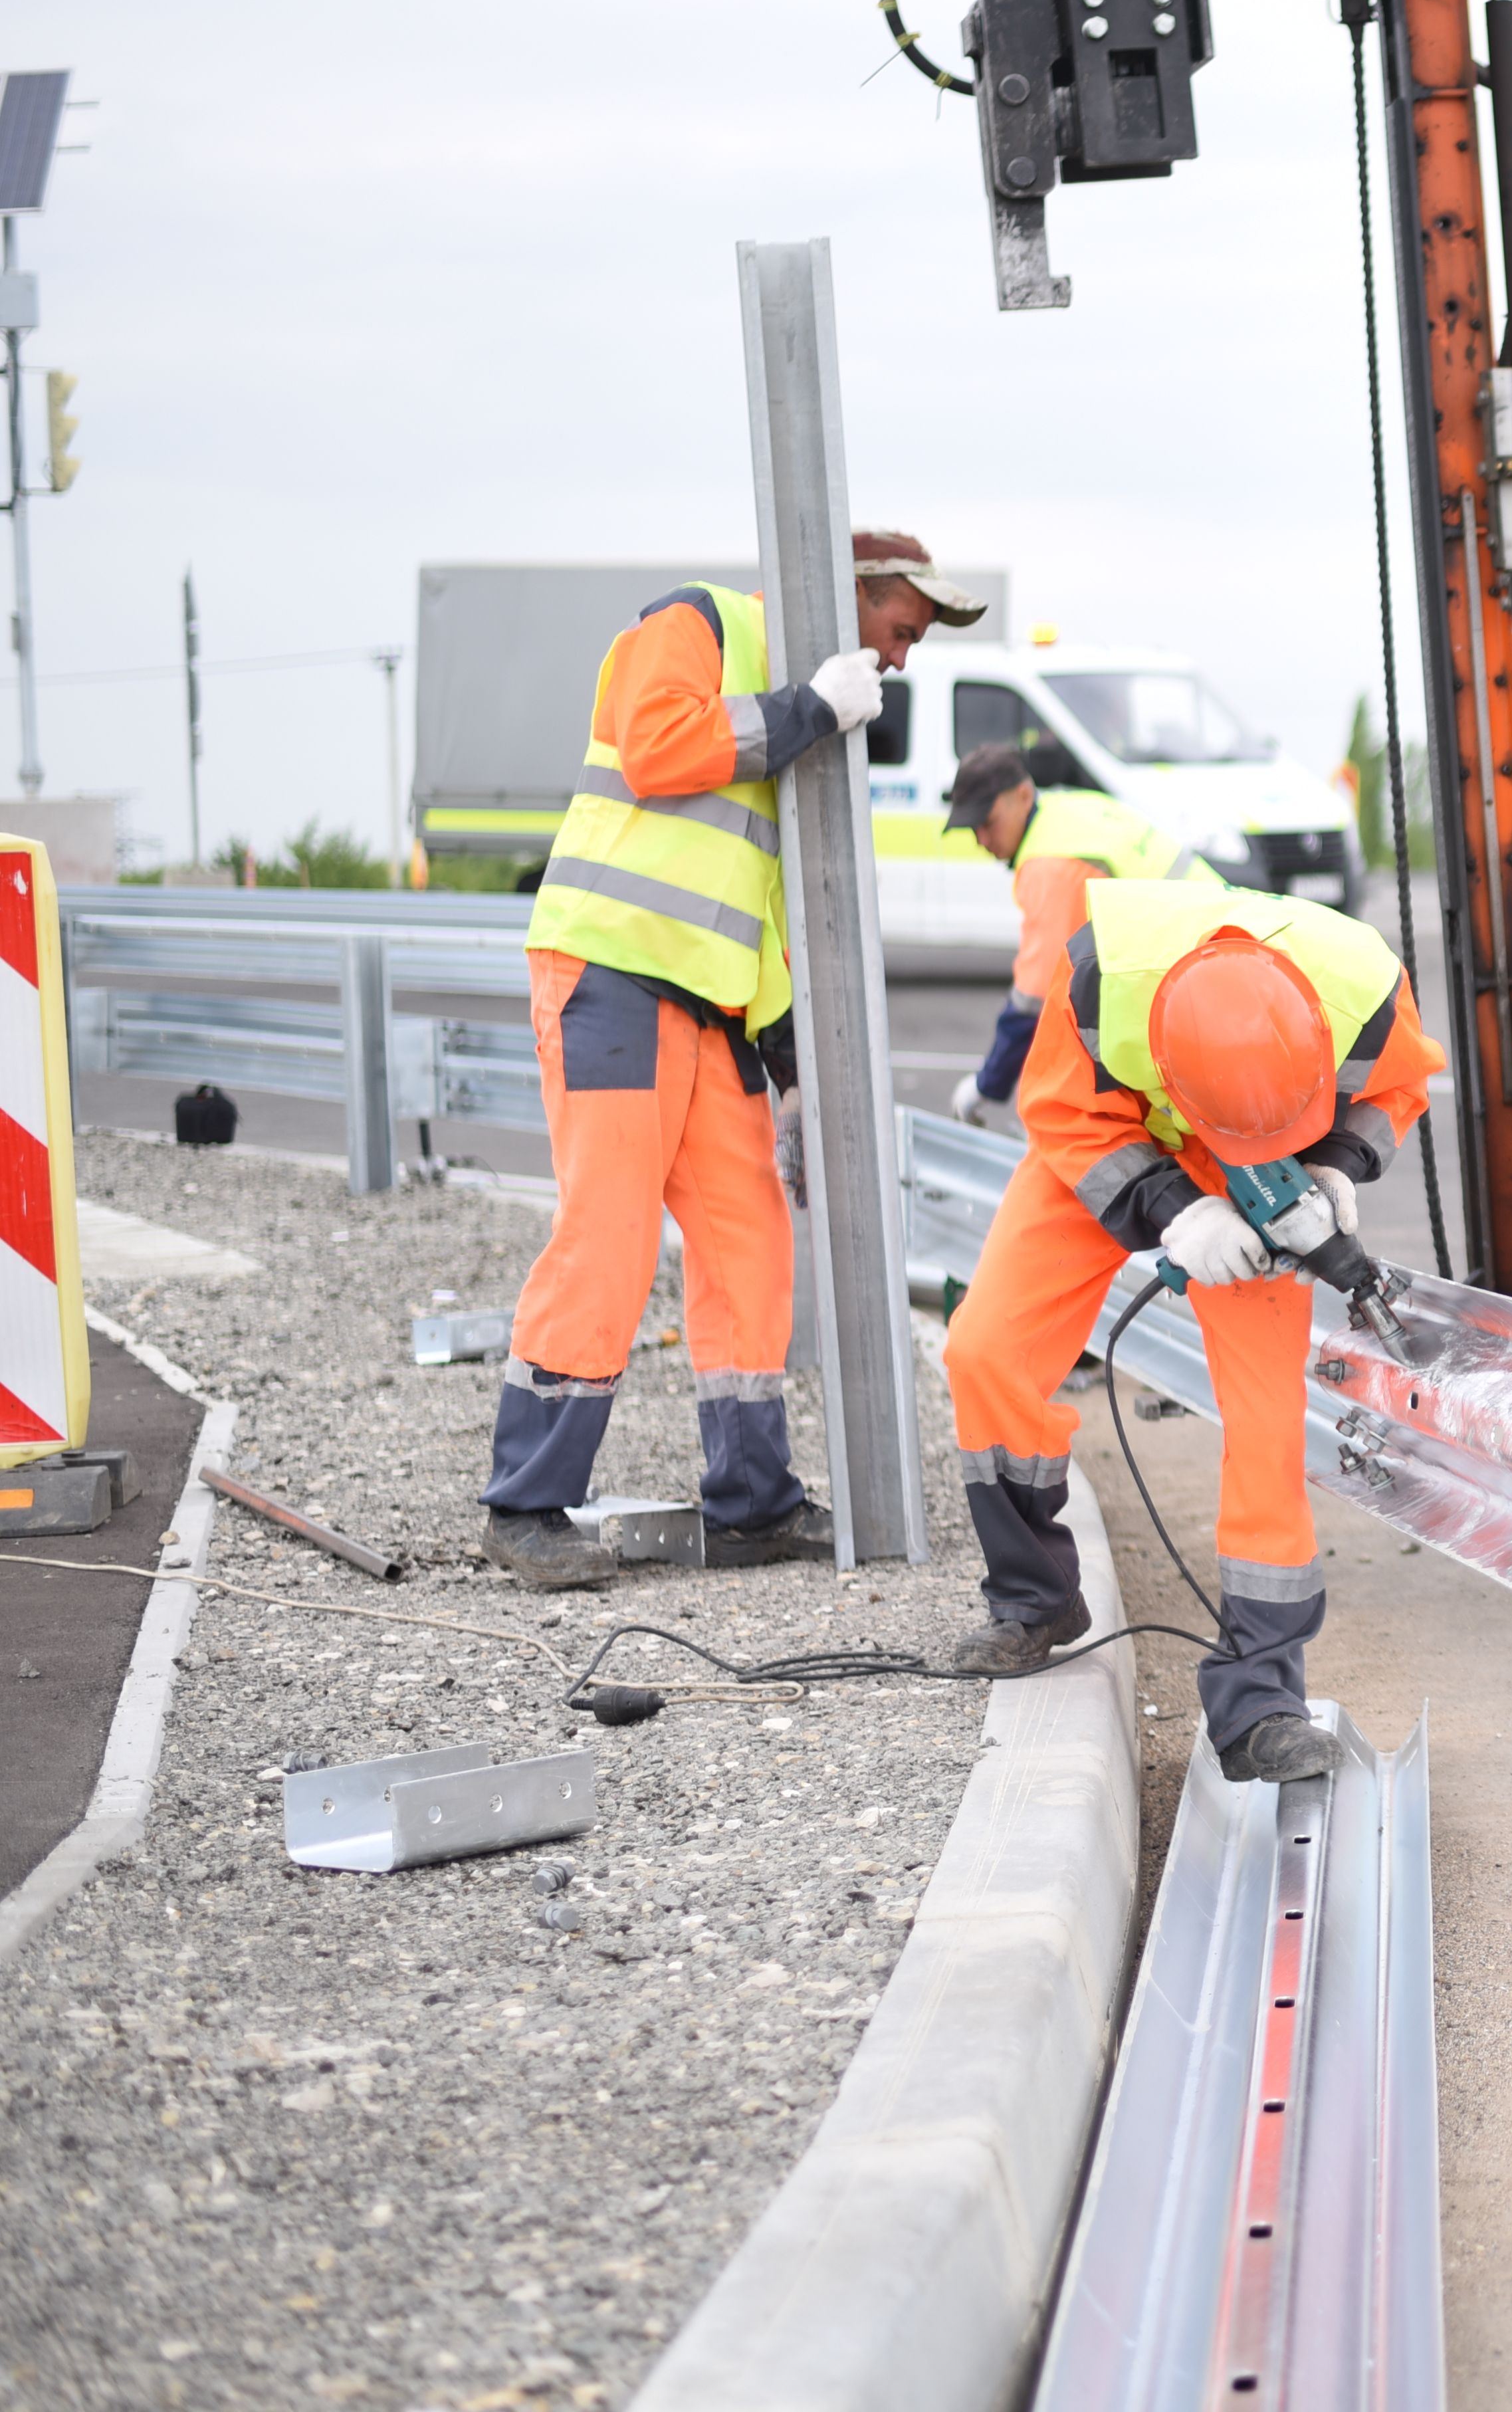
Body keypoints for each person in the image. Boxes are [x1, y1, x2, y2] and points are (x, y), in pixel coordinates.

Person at [479, 531, 980, 1590]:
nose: (900, 660)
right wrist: (809, 706)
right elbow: (661, 749)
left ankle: (751, 1504)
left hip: (706, 1009)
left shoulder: (801, 713)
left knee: (750, 1242)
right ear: (856, 595)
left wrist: (792, 1072)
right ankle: (526, 1505)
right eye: (901, 631)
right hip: (611, 978)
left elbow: (753, 908)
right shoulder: (697, 621)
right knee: (607, 1237)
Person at [937, 877, 1443, 1781]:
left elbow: (1398, 1088)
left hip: (1282, 1152)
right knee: (985, 1352)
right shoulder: (1102, 976)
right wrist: (1175, 1209)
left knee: (1265, 1428)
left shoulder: (1364, 990)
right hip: (1117, 1137)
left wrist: (1334, 1167)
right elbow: (1062, 1111)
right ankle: (1034, 1600)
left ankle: (1261, 1702)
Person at [938, 742, 1219, 1129]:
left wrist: (987, 1084)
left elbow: (1033, 997)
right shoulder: (1066, 809)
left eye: (987, 822)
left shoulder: (1051, 864)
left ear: (1022, 795)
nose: (982, 839)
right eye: (973, 828)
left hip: (1195, 967)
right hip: (1214, 938)